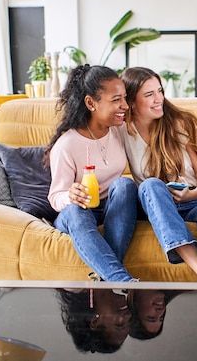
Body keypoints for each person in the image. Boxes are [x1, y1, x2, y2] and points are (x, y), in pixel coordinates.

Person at [120, 66, 197, 283]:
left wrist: (191, 195)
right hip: (156, 205)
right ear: (131, 101)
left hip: (192, 202)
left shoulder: (181, 123)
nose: (158, 99)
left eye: (160, 91)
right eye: (149, 94)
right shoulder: (122, 131)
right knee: (150, 185)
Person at [44, 64, 138, 282]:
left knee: (125, 186)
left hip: (111, 209)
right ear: (90, 103)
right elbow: (55, 197)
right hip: (80, 212)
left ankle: (106, 275)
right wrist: (70, 195)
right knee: (75, 211)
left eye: (124, 98)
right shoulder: (67, 145)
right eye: (116, 100)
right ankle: (121, 281)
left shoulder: (119, 130)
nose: (124, 105)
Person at [56, 288, 132, 353]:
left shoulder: (74, 283)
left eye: (119, 324)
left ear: (95, 321)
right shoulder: (103, 282)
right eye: (129, 322)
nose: (128, 316)